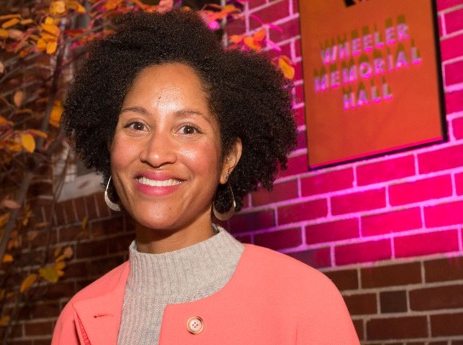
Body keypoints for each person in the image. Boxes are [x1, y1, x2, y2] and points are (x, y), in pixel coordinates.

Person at [52, 9, 360, 345]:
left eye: (188, 129)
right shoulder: (77, 319)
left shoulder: (304, 301)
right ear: (111, 147)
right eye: (136, 125)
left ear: (228, 158)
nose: (156, 153)